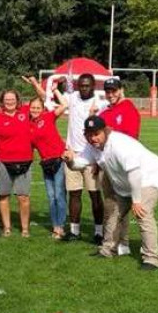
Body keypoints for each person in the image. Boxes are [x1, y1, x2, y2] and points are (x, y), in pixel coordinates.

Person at [63, 116, 158, 270]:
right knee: (113, 215)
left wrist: (136, 201)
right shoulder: (92, 146)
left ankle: (151, 258)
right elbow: (80, 163)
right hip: (125, 183)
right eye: (89, 134)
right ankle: (107, 250)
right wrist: (70, 160)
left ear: (105, 131)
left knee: (143, 214)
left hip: (149, 177)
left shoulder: (119, 144)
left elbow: (135, 172)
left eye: (96, 133)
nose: (93, 138)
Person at [61, 73, 108, 243]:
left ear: (93, 86)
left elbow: (104, 133)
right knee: (74, 194)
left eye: (87, 85)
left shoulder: (100, 104)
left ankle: (98, 232)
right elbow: (51, 99)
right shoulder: (73, 97)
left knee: (95, 195)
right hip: (72, 154)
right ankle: (74, 231)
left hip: (91, 157)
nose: (84, 88)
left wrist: (99, 160)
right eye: (81, 85)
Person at [23, 76, 69, 239]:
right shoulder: (28, 125)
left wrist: (55, 90)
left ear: (42, 109)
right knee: (50, 197)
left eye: (37, 108)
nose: (34, 110)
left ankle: (61, 226)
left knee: (59, 195)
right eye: (32, 108)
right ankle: (55, 224)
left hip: (58, 159)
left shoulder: (48, 117)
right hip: (45, 163)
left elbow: (64, 105)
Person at [0, 90, 33, 237]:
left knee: (23, 196)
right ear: (2, 101)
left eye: (12, 99)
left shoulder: (26, 112)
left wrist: (34, 84)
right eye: (6, 99)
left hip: (25, 160)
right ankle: (7, 227)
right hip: (3, 161)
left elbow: (42, 100)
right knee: (4, 195)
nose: (9, 101)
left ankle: (25, 228)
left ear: (17, 100)